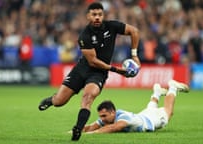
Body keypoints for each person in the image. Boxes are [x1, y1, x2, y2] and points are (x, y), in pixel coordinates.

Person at [38, 2, 141, 141]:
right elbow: (93, 61)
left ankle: (78, 129)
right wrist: (116, 70)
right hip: (82, 70)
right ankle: (51, 100)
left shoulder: (112, 26)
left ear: (103, 15)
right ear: (88, 16)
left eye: (100, 14)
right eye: (94, 15)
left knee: (87, 97)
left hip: (98, 73)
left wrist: (134, 54)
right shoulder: (84, 36)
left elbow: (134, 31)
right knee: (59, 101)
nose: (97, 17)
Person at [81, 80, 189, 134]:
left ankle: (172, 87)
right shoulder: (106, 119)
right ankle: (156, 92)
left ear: (113, 112)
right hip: (143, 116)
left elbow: (115, 127)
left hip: (151, 121)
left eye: (104, 116)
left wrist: (92, 134)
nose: (102, 119)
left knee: (168, 112)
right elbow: (90, 127)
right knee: (151, 108)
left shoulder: (123, 117)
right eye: (101, 116)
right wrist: (76, 130)